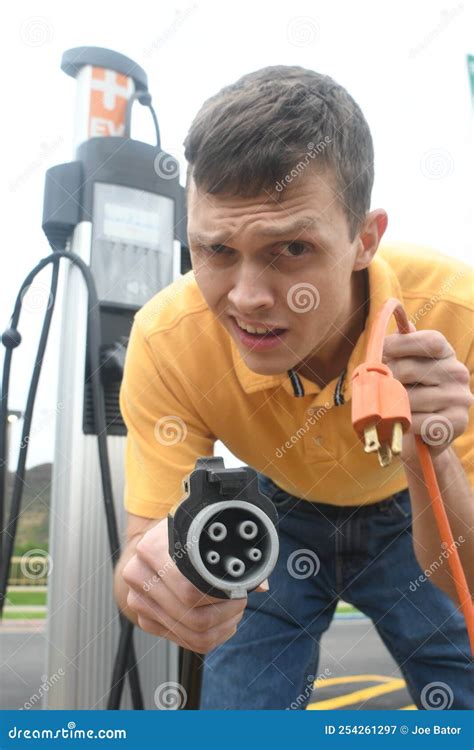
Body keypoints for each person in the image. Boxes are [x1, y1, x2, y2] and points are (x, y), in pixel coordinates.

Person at [114, 66, 473, 710]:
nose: (247, 299)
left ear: (365, 240)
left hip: (404, 508)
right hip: (276, 515)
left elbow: (467, 578)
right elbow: (136, 564)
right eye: (216, 250)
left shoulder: (457, 315)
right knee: (239, 712)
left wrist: (433, 453)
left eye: (292, 249)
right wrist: (161, 589)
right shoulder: (167, 339)